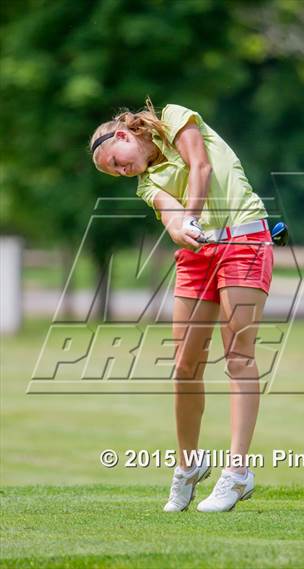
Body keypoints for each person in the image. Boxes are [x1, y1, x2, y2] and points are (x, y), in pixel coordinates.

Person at [90, 98, 273, 512]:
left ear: (124, 135)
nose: (122, 172)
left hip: (243, 239)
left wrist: (190, 215)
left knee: (239, 356)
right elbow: (171, 219)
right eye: (115, 172)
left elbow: (202, 167)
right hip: (198, 255)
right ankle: (188, 466)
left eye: (117, 162)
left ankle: (238, 473)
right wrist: (181, 226)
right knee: (185, 365)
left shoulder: (175, 117)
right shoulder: (146, 184)